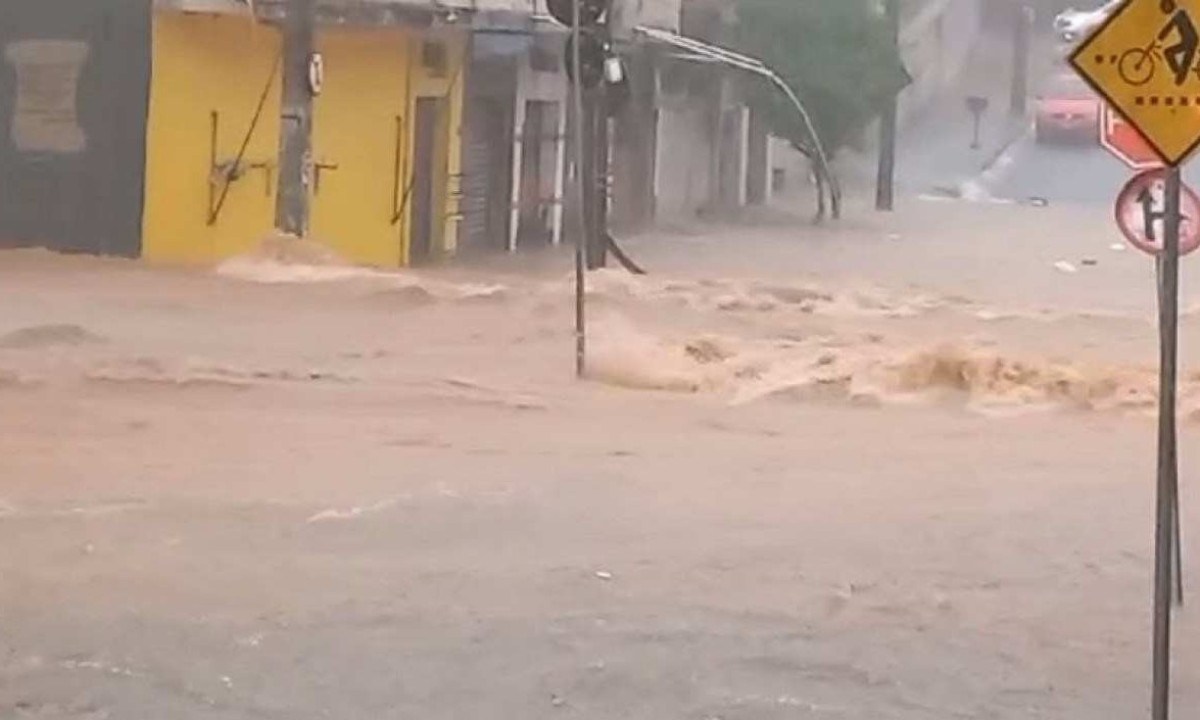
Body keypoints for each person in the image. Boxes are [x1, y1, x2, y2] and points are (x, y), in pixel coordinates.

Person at [1158, 0, 1199, 86]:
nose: (1167, 8)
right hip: (1189, 40)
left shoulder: (1179, 14)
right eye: (1165, 6)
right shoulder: (1178, 14)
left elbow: (1169, 27)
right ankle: (1179, 74)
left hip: (1190, 40)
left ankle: (1179, 74)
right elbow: (1169, 26)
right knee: (1183, 60)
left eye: (1167, 6)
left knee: (1172, 54)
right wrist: (1160, 37)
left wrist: (1160, 37)